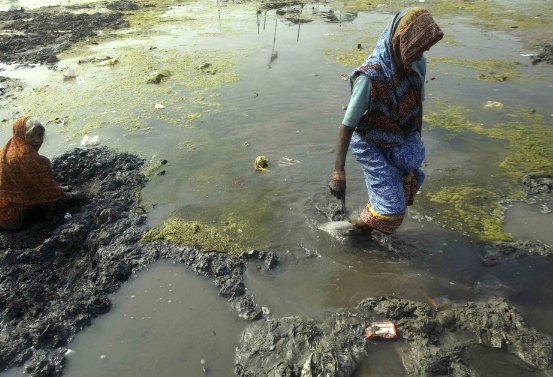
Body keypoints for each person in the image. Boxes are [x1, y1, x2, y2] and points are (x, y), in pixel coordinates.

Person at [328, 7, 443, 234]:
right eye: (418, 49)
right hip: (370, 142)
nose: (420, 56)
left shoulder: (416, 64)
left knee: (410, 175)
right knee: (392, 209)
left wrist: (415, 142)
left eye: (424, 49)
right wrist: (338, 173)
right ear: (402, 42)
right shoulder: (370, 77)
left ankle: (365, 226)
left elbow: (418, 105)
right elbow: (347, 126)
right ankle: (344, 229)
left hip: (399, 135)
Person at [0, 116, 73, 230]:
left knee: (45, 162)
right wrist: (63, 194)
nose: (37, 140)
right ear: (22, 135)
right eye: (31, 136)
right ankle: (48, 217)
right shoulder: (25, 157)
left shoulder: (9, 147)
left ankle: (56, 187)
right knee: (52, 194)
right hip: (10, 214)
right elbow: (46, 190)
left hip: (8, 202)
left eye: (39, 135)